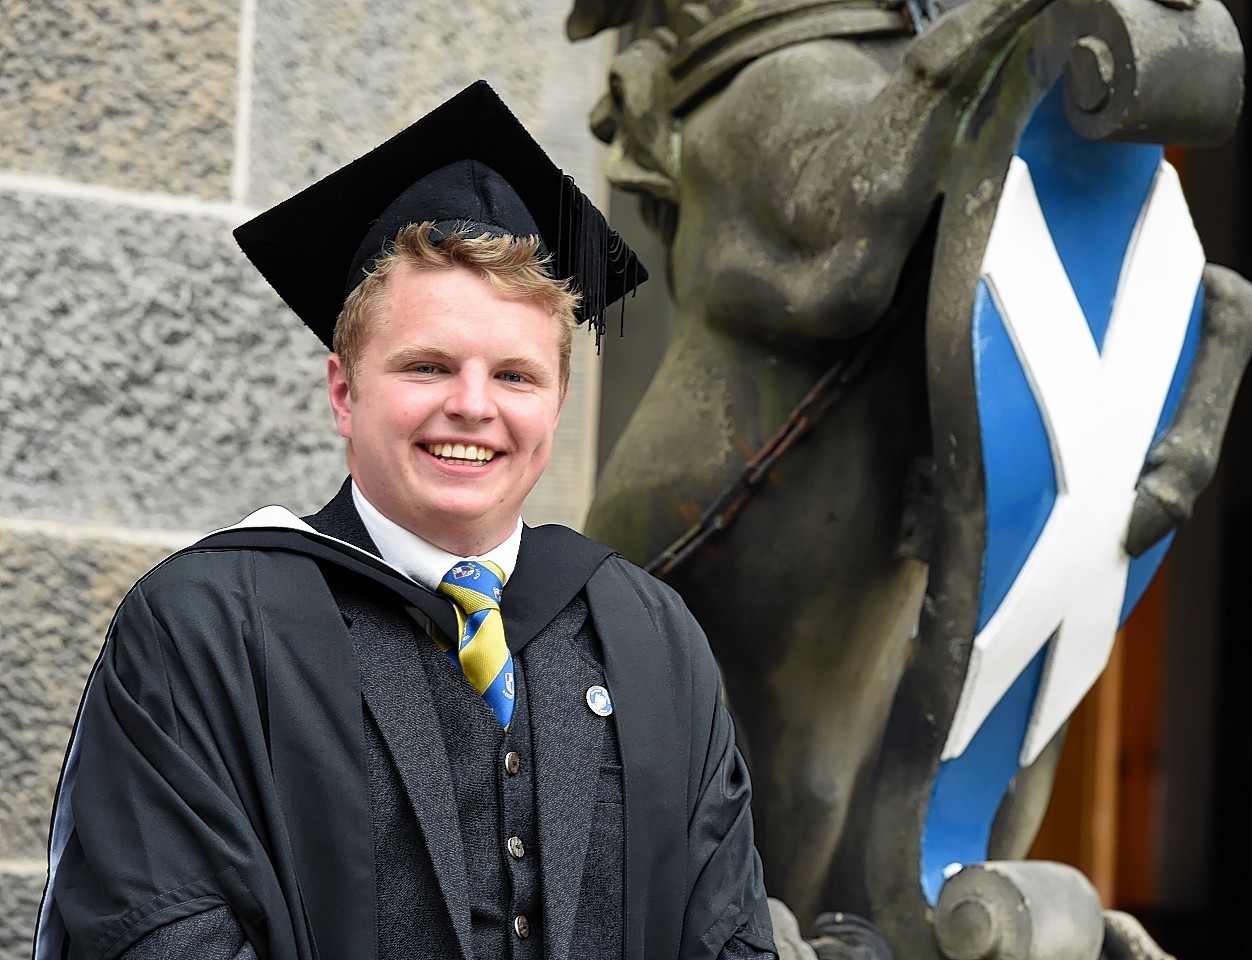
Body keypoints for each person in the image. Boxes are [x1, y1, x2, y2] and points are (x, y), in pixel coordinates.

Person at [34, 80, 777, 960]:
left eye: (515, 375)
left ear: (559, 399)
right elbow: (155, 933)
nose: (473, 407)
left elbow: (728, 937)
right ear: (345, 393)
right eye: (427, 367)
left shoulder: (652, 638)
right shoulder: (207, 629)